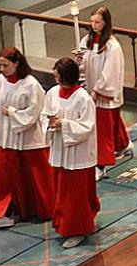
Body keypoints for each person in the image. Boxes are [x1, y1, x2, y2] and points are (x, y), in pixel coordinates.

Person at [0, 47, 54, 230]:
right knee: (7, 177)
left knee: (33, 176)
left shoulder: (31, 85)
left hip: (26, 137)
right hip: (6, 136)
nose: (1, 69)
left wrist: (12, 113)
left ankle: (42, 209)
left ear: (17, 63)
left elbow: (34, 112)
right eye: (0, 65)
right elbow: (1, 95)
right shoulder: (3, 79)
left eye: (5, 65)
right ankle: (7, 212)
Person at [42, 57, 99, 249]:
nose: (56, 79)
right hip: (60, 150)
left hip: (78, 154)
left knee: (76, 195)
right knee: (62, 191)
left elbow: (87, 126)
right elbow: (44, 115)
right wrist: (49, 123)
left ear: (67, 76)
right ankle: (64, 224)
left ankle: (78, 229)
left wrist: (64, 124)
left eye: (58, 76)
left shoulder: (83, 98)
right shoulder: (52, 93)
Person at [79, 6, 132, 181]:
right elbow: (83, 62)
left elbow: (110, 71)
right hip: (90, 88)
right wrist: (79, 63)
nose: (94, 25)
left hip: (102, 93)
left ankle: (100, 166)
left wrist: (97, 90)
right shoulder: (87, 40)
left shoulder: (112, 46)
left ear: (106, 23)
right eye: (92, 21)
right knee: (110, 124)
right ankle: (123, 144)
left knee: (102, 129)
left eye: (98, 22)